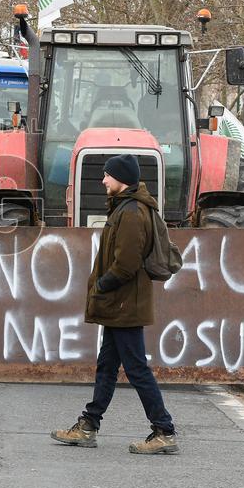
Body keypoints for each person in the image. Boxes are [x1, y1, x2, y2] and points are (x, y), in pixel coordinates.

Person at [51, 154, 178, 455]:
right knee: (107, 366)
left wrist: (101, 285)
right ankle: (88, 425)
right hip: (120, 304)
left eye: (108, 175)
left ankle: (164, 430)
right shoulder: (125, 209)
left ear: (121, 179)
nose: (103, 180)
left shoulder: (132, 213)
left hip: (124, 305)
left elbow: (127, 264)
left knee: (136, 369)